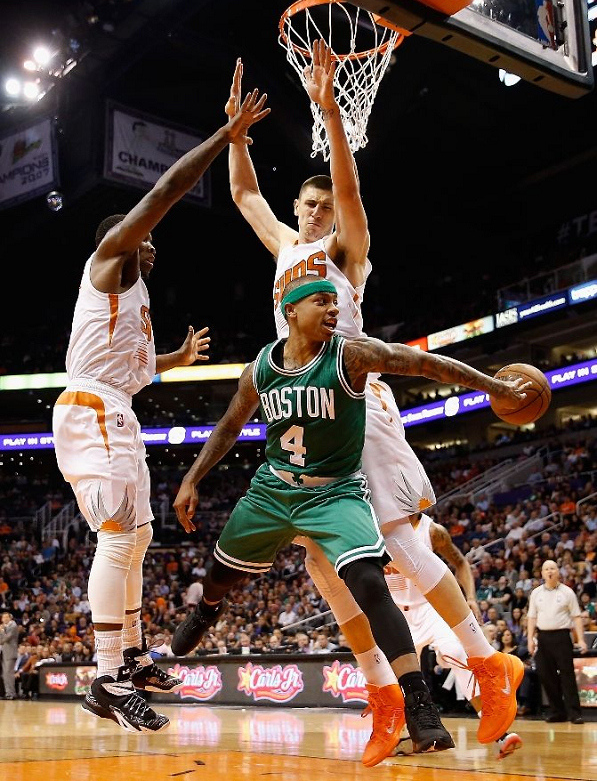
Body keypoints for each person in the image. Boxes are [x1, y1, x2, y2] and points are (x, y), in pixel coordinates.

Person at [223, 40, 525, 761]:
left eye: (325, 206)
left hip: (357, 398)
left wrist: (330, 110)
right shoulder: (284, 250)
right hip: (307, 408)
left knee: (397, 541)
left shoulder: (343, 250)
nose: (317, 212)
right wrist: (234, 137)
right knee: (322, 566)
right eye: (309, 204)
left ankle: (486, 664)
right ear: (296, 209)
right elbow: (243, 195)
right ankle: (384, 697)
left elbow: (350, 193)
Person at [171, 275, 529, 766]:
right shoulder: (261, 367)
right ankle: (207, 610)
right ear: (290, 310)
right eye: (321, 301)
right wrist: (192, 478)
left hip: (335, 490)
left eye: (335, 302)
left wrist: (493, 385)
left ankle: (422, 700)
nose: (333, 309)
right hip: (275, 487)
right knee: (222, 575)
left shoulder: (351, 355)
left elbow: (427, 364)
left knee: (371, 577)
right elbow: (231, 424)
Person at [51, 88, 270, 733]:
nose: (152, 245)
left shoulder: (135, 301)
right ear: (122, 241)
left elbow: (138, 372)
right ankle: (105, 676)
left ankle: (132, 655)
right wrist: (224, 136)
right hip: (91, 406)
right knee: (118, 536)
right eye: (142, 237)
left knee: (139, 536)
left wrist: (177, 357)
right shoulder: (108, 262)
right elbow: (166, 191)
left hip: (116, 407)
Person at [385, 514, 522, 761]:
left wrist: (470, 597)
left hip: (431, 606)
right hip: (396, 613)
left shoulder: (433, 531)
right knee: (395, 680)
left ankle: (497, 731)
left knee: (457, 653)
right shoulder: (376, 528)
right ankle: (403, 735)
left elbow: (460, 562)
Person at [526, 560, 586, 723]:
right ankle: (558, 712)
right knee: (547, 675)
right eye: (546, 569)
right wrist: (530, 639)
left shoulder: (567, 592)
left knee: (567, 675)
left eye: (552, 568)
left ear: (558, 572)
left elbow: (576, 617)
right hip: (543, 637)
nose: (550, 571)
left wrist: (581, 639)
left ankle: (575, 713)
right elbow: (531, 617)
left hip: (562, 636)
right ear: (542, 573)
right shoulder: (536, 593)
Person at [0, 612, 19, 699]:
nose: (5, 619)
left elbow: (6, 638)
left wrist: (2, 631)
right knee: (5, 674)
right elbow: (1, 641)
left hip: (11, 653)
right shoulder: (5, 627)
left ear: (10, 618)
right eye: (3, 617)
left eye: (6, 617)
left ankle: (11, 693)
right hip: (5, 653)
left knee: (9, 673)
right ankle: (8, 693)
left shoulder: (13, 626)